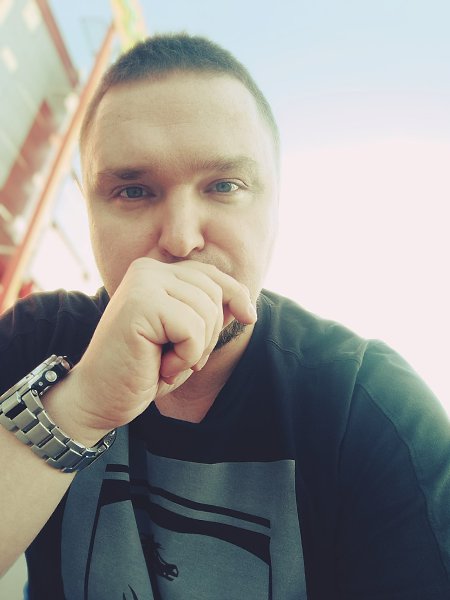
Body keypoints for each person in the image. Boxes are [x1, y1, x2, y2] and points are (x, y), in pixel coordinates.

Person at [0, 33, 449, 600]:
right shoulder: (35, 340)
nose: (181, 238)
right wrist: (82, 408)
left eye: (224, 186)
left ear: (275, 205)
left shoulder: (368, 405)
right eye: (133, 190)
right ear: (88, 207)